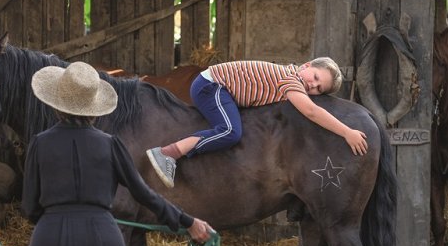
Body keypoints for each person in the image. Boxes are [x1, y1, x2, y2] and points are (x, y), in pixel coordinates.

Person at [21, 61, 214, 246]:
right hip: (102, 238)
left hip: (52, 240)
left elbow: (29, 207)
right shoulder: (111, 145)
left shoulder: (39, 144)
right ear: (95, 110)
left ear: (55, 107)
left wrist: (56, 220)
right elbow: (145, 195)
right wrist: (188, 222)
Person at [146, 58, 368, 188]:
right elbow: (311, 111)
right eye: (316, 78)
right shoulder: (290, 80)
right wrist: (346, 132)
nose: (313, 86)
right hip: (210, 85)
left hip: (221, 87)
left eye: (319, 89)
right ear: (306, 66)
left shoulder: (289, 78)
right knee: (230, 131)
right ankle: (169, 152)